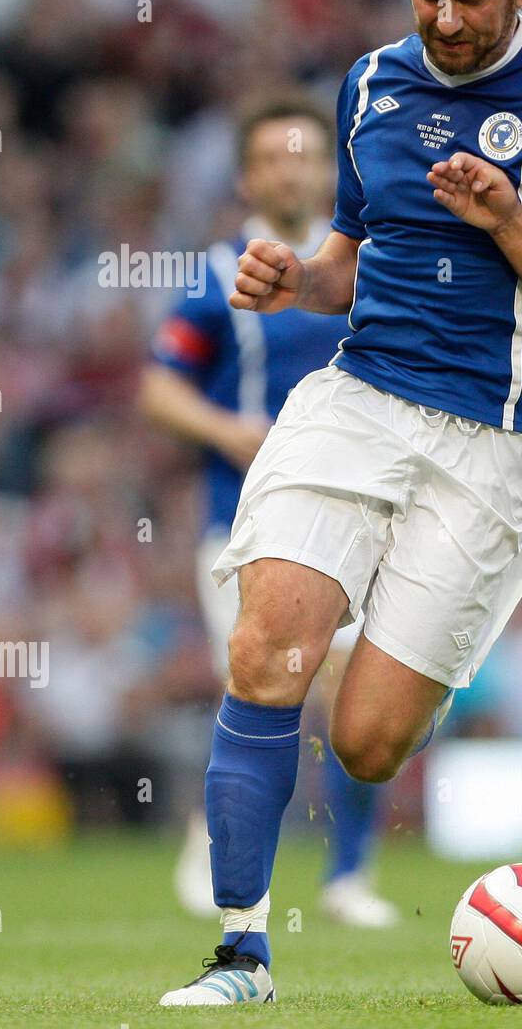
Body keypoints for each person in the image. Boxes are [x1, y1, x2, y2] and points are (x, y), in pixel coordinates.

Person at [159, 0, 522, 1007]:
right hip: (358, 399)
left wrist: (510, 217)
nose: (447, 17)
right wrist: (294, 280)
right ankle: (241, 953)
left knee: (367, 740)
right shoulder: (371, 83)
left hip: (499, 439)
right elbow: (347, 259)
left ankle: (352, 834)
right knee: (267, 646)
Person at [140, 94, 398, 930]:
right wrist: (225, 428)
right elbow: (156, 383)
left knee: (360, 696)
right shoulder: (216, 275)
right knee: (269, 678)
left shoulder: (368, 265)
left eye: (306, 155)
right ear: (250, 174)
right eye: (273, 157)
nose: (291, 169)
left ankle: (347, 874)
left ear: (331, 168)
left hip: (362, 516)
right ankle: (224, 850)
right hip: (244, 521)